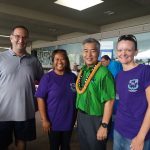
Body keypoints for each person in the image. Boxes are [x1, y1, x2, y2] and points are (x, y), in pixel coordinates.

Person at [0, 26, 43, 150]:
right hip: (2, 112)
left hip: (25, 111)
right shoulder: (1, 57)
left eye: (24, 37)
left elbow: (44, 82)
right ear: (11, 38)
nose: (21, 40)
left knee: (22, 142)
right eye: (18, 36)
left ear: (27, 40)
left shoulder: (34, 61)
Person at [76, 38, 115, 150]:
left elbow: (110, 100)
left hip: (96, 119)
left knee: (95, 147)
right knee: (84, 146)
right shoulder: (83, 71)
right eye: (85, 50)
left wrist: (104, 125)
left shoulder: (104, 73)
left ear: (98, 53)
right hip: (82, 116)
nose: (89, 54)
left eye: (92, 51)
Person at [113, 34, 150, 150]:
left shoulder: (145, 71)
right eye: (120, 50)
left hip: (137, 134)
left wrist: (140, 137)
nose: (123, 53)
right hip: (118, 130)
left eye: (128, 50)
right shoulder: (119, 76)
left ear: (136, 52)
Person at [35, 49, 77, 150]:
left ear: (66, 61)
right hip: (53, 121)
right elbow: (40, 98)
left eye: (62, 59)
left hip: (69, 119)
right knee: (54, 146)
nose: (59, 61)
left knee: (66, 146)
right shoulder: (47, 78)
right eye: (57, 59)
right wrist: (44, 119)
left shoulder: (72, 77)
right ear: (53, 61)